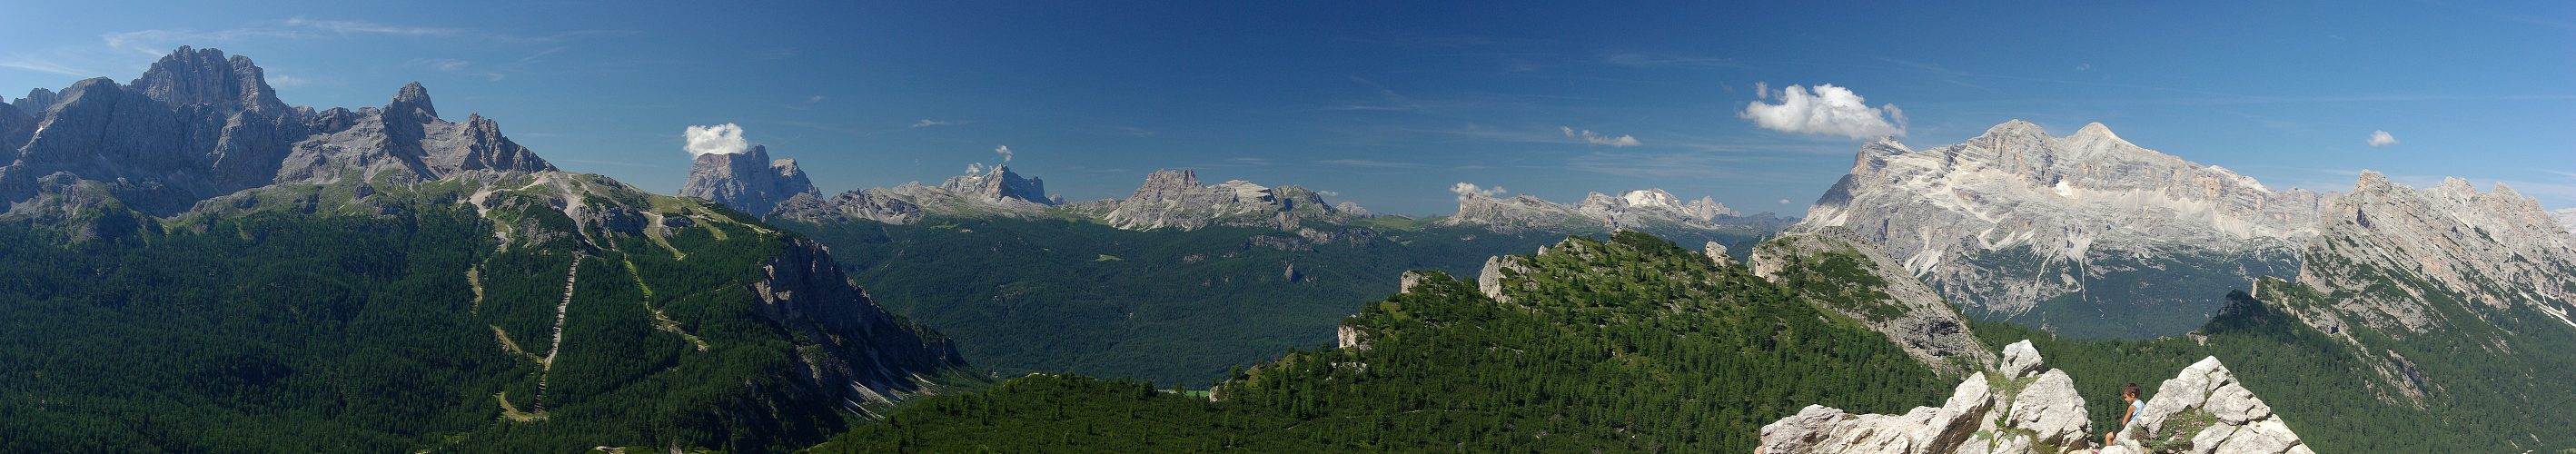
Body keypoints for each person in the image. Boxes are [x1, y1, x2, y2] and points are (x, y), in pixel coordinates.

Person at [2101, 382, 2143, 449]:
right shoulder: (2141, 403)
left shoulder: (2132, 406)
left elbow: (2124, 422)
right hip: (2138, 427)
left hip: (2130, 428)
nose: (2125, 399)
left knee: (2108, 436)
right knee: (2114, 440)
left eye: (2126, 397)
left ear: (2132, 395)